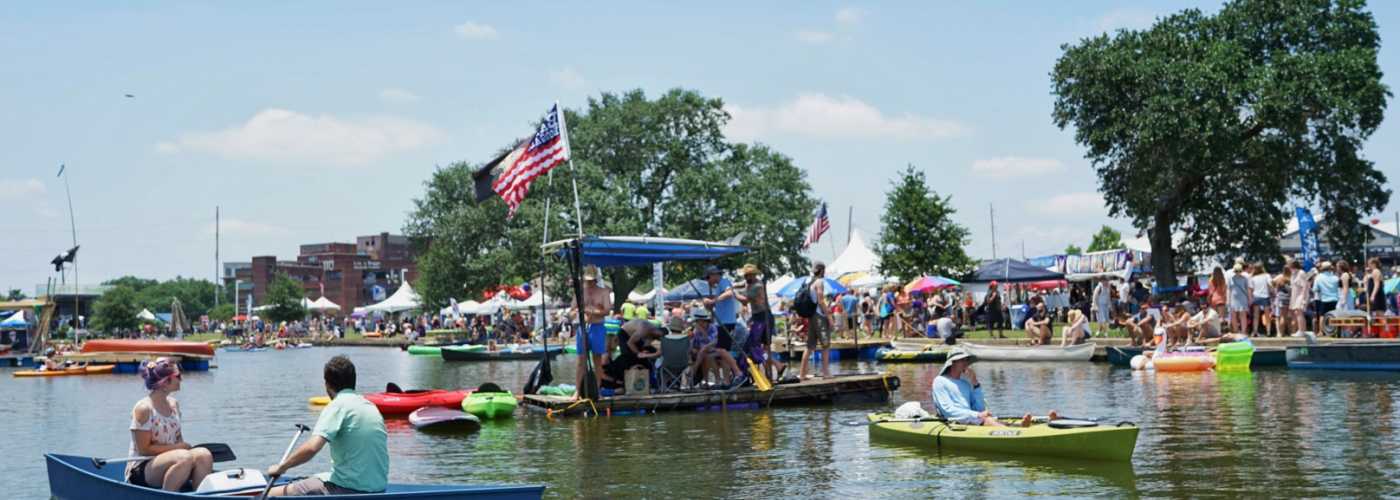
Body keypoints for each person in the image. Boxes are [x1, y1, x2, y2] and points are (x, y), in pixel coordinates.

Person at [266, 356, 388, 496]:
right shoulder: (370, 406)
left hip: (348, 490)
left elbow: (312, 448)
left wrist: (282, 467)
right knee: (316, 477)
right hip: (378, 488)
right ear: (353, 381)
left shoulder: (338, 405)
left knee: (271, 493)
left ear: (327, 384)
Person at [127, 358, 213, 492]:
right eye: (177, 376)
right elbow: (144, 450)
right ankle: (168, 495)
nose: (181, 379)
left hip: (174, 459)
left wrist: (181, 447)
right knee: (184, 457)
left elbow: (178, 438)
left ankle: (199, 495)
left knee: (204, 454)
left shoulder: (174, 404)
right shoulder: (144, 409)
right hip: (142, 468)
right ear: (165, 382)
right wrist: (179, 448)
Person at [931, 349, 1057, 427]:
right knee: (987, 420)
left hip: (971, 419)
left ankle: (1029, 425)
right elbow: (948, 410)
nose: (966, 363)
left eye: (966, 360)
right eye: (962, 360)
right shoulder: (940, 381)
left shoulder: (965, 383)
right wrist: (977, 415)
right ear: (952, 362)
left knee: (989, 419)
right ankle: (1018, 432)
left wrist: (975, 383)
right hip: (955, 421)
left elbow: (980, 408)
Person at [735, 264, 784, 379]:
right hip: (759, 317)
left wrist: (733, 293)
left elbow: (745, 300)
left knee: (754, 347)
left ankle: (778, 365)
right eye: (745, 275)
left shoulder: (757, 286)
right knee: (763, 349)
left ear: (754, 275)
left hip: (763, 318)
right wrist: (732, 285)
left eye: (748, 275)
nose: (746, 278)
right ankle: (769, 374)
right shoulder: (749, 283)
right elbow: (741, 284)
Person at [575, 266, 613, 397]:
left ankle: (597, 390)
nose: (589, 283)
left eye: (591, 280)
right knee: (581, 360)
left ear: (596, 280)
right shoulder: (580, 292)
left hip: (597, 327)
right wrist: (577, 312)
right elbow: (573, 308)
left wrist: (591, 310)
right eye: (587, 280)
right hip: (583, 327)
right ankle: (577, 391)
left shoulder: (603, 292)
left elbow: (607, 310)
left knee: (597, 361)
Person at [603, 319, 665, 389]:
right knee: (628, 358)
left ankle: (648, 381)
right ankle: (625, 381)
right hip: (625, 334)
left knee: (644, 360)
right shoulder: (643, 330)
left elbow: (646, 346)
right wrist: (639, 353)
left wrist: (645, 352)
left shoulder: (652, 332)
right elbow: (630, 343)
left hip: (633, 336)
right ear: (658, 333)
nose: (659, 340)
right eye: (660, 338)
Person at [799, 262, 832, 379]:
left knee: (809, 346)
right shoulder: (819, 282)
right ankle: (826, 373)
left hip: (811, 316)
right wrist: (829, 317)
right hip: (819, 316)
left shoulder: (808, 282)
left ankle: (802, 375)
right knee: (825, 345)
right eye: (824, 270)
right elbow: (821, 301)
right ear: (821, 270)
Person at [700, 265, 741, 353]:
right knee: (721, 351)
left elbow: (729, 293)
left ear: (714, 275)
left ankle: (733, 363)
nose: (707, 280)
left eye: (708, 277)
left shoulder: (724, 282)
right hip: (721, 323)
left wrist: (712, 301)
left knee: (722, 351)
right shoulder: (718, 286)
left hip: (727, 322)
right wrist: (708, 304)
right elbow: (716, 305)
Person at [1312, 262, 1340, 335]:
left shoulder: (1318, 277)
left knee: (1322, 315)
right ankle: (1334, 331)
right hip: (1335, 299)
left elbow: (1315, 289)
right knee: (1334, 316)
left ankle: (1321, 331)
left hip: (1324, 299)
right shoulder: (1335, 277)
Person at [1248, 263, 1272, 337]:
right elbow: (1270, 284)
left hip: (1256, 296)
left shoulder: (1252, 277)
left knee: (1256, 316)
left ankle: (1255, 331)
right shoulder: (1267, 276)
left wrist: (1250, 298)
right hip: (1265, 296)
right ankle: (1268, 331)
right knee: (1267, 316)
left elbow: (1250, 289)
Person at [1227, 263, 1251, 334]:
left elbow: (1247, 289)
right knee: (1233, 315)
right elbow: (1228, 290)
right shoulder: (1231, 278)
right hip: (1233, 299)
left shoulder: (1245, 278)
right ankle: (1236, 331)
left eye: (1239, 271)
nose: (1238, 272)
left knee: (1243, 315)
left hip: (1242, 298)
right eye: (1236, 271)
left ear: (1241, 271)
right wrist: (1228, 300)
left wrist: (1249, 298)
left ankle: (1243, 332)